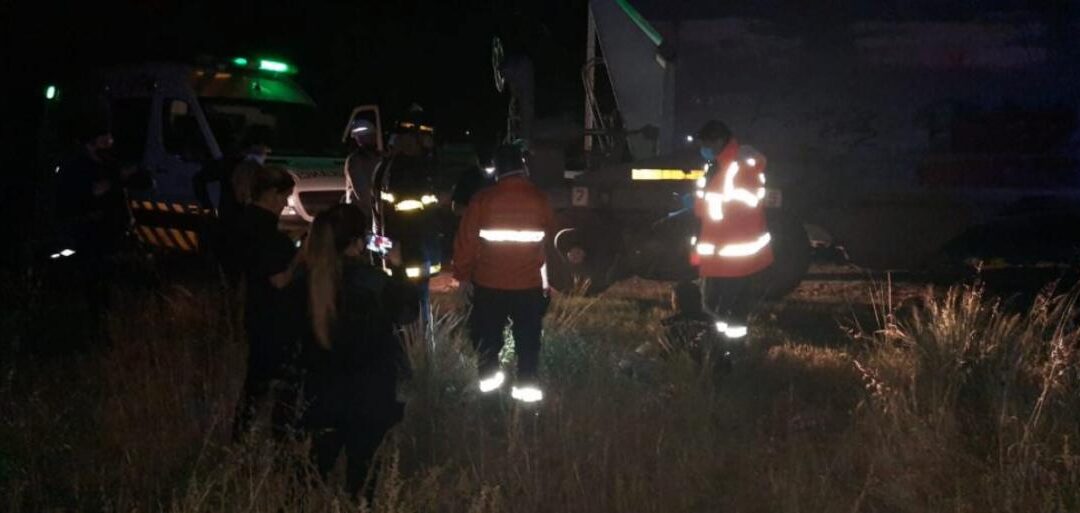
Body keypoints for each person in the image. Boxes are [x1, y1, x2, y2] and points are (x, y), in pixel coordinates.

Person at [299, 204, 419, 500]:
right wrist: (399, 267)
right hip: (370, 391)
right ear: (357, 242)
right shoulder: (373, 281)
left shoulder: (305, 280)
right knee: (363, 476)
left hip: (322, 390)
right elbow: (407, 313)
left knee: (314, 470)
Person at [452, 144, 555, 403]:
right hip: (528, 285)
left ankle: (489, 391)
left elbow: (466, 242)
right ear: (523, 167)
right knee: (528, 341)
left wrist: (463, 276)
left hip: (489, 284)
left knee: (488, 338)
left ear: (497, 170)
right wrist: (546, 284)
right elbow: (549, 242)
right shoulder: (539, 199)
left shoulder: (483, 200)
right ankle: (527, 391)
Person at [232, 165, 303, 441]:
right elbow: (280, 280)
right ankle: (283, 441)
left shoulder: (245, 221)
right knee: (284, 382)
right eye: (284, 197)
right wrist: (301, 255)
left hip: (256, 312)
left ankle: (241, 437)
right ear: (272, 194)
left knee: (256, 380)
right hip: (275, 319)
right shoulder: (265, 232)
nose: (285, 203)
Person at [54, 120, 138, 340]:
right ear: (93, 141)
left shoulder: (107, 162)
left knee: (107, 280)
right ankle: (94, 327)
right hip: (88, 230)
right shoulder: (78, 166)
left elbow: (120, 189)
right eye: (104, 137)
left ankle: (104, 323)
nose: (110, 141)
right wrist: (115, 180)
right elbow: (92, 192)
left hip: (109, 230)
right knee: (94, 280)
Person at [691, 120, 774, 342]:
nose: (704, 148)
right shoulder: (720, 165)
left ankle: (722, 352)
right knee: (727, 310)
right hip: (724, 254)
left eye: (706, 143)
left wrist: (708, 204)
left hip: (731, 257)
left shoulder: (740, 167)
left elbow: (745, 202)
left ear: (718, 141)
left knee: (719, 309)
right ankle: (727, 351)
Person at [344, 119, 381, 217]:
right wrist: (378, 210)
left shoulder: (378, 157)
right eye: (369, 136)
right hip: (362, 215)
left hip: (375, 212)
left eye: (373, 135)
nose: (374, 138)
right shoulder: (355, 160)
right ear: (359, 139)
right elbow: (363, 192)